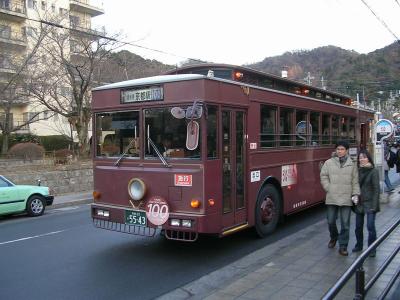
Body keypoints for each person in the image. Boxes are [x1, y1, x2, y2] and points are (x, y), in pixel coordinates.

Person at [320, 140, 360, 256]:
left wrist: (355, 194)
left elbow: (355, 181)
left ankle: (343, 246)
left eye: (342, 149)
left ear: (346, 151)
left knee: (345, 224)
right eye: (338, 149)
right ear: (335, 150)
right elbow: (323, 176)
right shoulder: (329, 162)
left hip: (346, 197)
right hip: (332, 196)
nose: (340, 151)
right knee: (331, 221)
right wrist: (328, 188)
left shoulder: (352, 164)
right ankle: (334, 237)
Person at [352, 149, 380, 257]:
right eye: (360, 158)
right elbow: (354, 185)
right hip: (359, 202)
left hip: (370, 203)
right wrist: (354, 196)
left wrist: (374, 205)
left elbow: (376, 189)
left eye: (364, 157)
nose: (361, 159)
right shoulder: (357, 171)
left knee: (370, 226)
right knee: (358, 226)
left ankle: (372, 248)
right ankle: (359, 245)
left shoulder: (374, 171)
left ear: (368, 158)